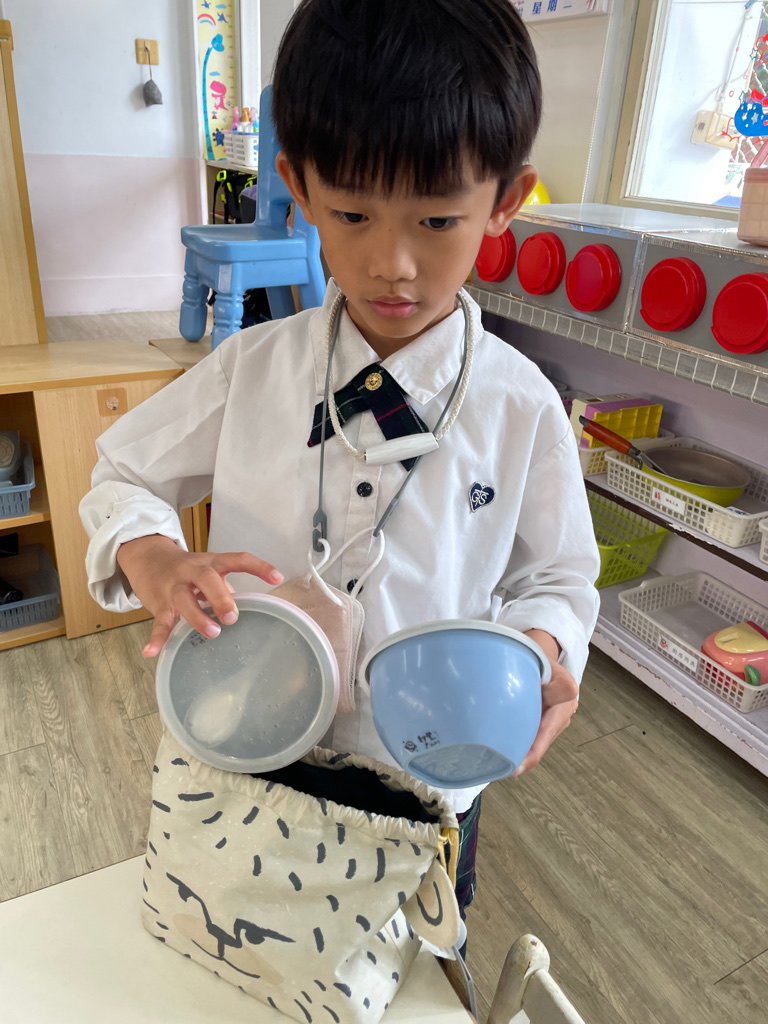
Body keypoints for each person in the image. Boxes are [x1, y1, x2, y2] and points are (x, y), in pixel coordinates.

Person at [79, 0, 599, 939]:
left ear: (505, 201)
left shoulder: (522, 405)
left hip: (429, 766)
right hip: (249, 738)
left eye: (438, 219)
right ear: (299, 186)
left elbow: (559, 576)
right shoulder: (252, 369)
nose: (392, 262)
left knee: (413, 951)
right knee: (238, 937)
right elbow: (122, 471)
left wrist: (544, 648)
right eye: (352, 213)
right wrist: (153, 558)